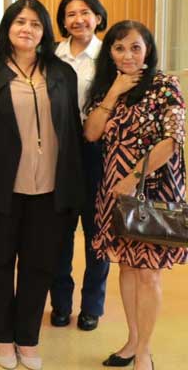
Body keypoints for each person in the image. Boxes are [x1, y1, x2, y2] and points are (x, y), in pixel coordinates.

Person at [0, 0, 84, 370]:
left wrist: (75, 189)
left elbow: (71, 133)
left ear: (44, 31)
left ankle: (28, 339)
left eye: (35, 24)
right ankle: (2, 339)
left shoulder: (62, 73)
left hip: (50, 190)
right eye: (19, 22)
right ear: (7, 28)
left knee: (39, 266)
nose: (26, 29)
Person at [85, 21, 185, 370]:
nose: (127, 55)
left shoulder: (165, 85)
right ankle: (131, 340)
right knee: (126, 266)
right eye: (118, 48)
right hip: (114, 190)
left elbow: (172, 141)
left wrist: (133, 176)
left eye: (135, 47)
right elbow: (92, 134)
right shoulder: (106, 88)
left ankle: (144, 350)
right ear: (109, 52)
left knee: (148, 272)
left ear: (148, 50)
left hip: (152, 189)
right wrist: (113, 93)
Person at [50, 0, 110, 331]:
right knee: (58, 234)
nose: (78, 20)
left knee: (95, 234)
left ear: (98, 17)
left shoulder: (109, 56)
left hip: (96, 153)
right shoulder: (53, 55)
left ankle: (92, 307)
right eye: (70, 14)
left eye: (84, 12)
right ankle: (60, 304)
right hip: (58, 152)